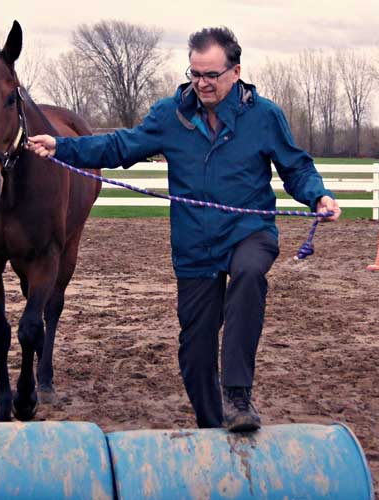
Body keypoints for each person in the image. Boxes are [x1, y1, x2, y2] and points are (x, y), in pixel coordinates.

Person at [27, 27, 341, 432]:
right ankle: (214, 426)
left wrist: (317, 197)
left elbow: (296, 166)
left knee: (248, 275)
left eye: (211, 75)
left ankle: (238, 394)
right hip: (194, 244)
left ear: (235, 71)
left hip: (250, 231)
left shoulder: (264, 116)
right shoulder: (170, 116)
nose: (202, 83)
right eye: (195, 74)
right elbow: (120, 146)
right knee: (195, 350)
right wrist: (61, 146)